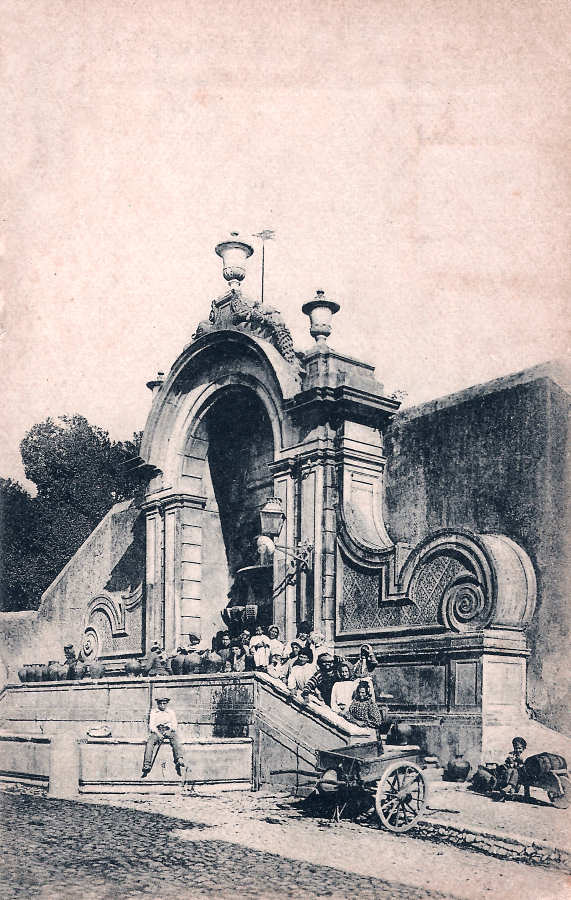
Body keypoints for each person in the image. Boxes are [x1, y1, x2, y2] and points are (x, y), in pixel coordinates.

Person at [141, 696, 185, 778]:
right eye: (160, 703)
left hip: (169, 730)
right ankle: (147, 765)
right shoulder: (154, 712)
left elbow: (174, 724)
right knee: (150, 742)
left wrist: (170, 731)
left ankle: (179, 759)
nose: (162, 705)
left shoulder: (171, 712)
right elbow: (151, 725)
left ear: (167, 703)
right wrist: (158, 734)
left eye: (164, 703)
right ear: (157, 704)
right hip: (158, 731)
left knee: (176, 739)